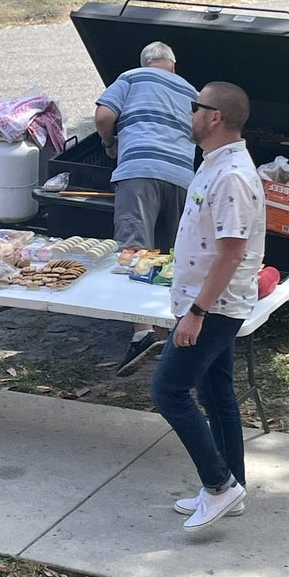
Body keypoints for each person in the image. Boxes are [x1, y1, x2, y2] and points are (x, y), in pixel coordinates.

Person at [151, 81, 266, 532]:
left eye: (195, 106)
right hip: (206, 302)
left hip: (214, 306)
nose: (190, 113)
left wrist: (196, 313)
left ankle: (219, 486)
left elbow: (231, 254)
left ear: (214, 116)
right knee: (217, 394)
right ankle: (232, 487)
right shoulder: (215, 164)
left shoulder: (231, 176)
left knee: (168, 391)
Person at [95, 41, 197, 374]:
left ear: (145, 62)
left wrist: (109, 143)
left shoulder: (131, 77)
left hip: (139, 171)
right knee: (170, 256)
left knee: (136, 251)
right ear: (173, 64)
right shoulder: (192, 91)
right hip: (181, 177)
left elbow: (104, 116)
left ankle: (142, 333)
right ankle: (166, 332)